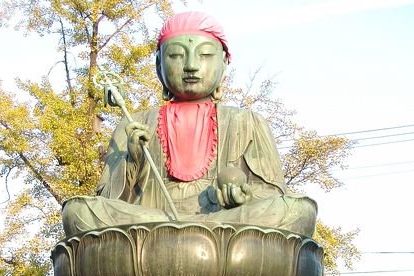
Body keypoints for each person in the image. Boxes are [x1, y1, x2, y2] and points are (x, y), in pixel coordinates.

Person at [62, 11, 317, 237]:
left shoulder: (247, 121)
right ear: (159, 64)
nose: (191, 66)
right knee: (79, 211)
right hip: (151, 221)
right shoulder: (136, 121)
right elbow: (108, 198)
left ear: (224, 63)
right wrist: (134, 158)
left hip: (222, 221)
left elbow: (272, 195)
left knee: (296, 211)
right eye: (176, 55)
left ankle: (178, 240)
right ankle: (176, 237)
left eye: (205, 55)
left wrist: (239, 189)